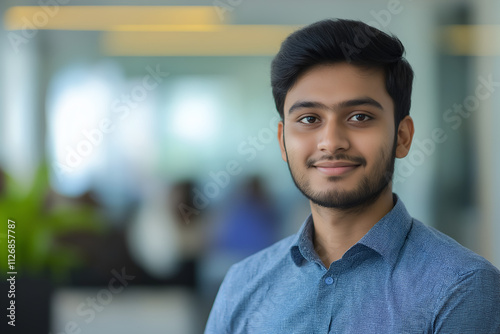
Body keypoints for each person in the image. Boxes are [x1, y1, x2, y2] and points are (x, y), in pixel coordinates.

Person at [204, 19, 500, 333]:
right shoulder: (243, 283)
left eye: (359, 117)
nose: (331, 142)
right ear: (282, 141)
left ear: (402, 136)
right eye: (309, 118)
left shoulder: (462, 287)